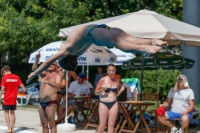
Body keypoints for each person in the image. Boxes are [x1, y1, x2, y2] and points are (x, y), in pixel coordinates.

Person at [27, 24, 168, 83]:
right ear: (64, 57)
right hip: (98, 28)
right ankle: (150, 42)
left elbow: (47, 62)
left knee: (119, 42)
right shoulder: (68, 49)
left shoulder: (74, 49)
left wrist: (34, 73)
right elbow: (47, 62)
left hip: (93, 34)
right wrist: (34, 73)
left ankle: (146, 48)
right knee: (126, 39)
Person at [95, 64, 124, 133]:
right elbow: (96, 92)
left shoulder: (117, 80)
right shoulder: (103, 79)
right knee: (102, 125)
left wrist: (121, 91)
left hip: (114, 102)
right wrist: (102, 90)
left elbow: (116, 94)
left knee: (111, 124)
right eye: (110, 70)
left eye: (113, 71)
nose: (111, 72)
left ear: (115, 71)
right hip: (103, 103)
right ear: (107, 71)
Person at [0, 65, 27, 133]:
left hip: (7, 97)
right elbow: (22, 86)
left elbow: (2, 88)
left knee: (6, 112)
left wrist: (0, 96)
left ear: (4, 71)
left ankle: (9, 128)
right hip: (14, 98)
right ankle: (12, 129)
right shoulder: (16, 77)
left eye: (2, 73)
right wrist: (25, 92)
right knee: (12, 112)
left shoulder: (4, 78)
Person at [38, 62, 62, 133]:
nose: (50, 65)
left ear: (56, 66)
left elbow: (58, 86)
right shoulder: (43, 74)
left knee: (52, 124)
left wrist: (47, 82)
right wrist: (37, 59)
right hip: (41, 102)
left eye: (52, 64)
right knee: (44, 123)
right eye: (49, 64)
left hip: (50, 102)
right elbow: (34, 69)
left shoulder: (57, 75)